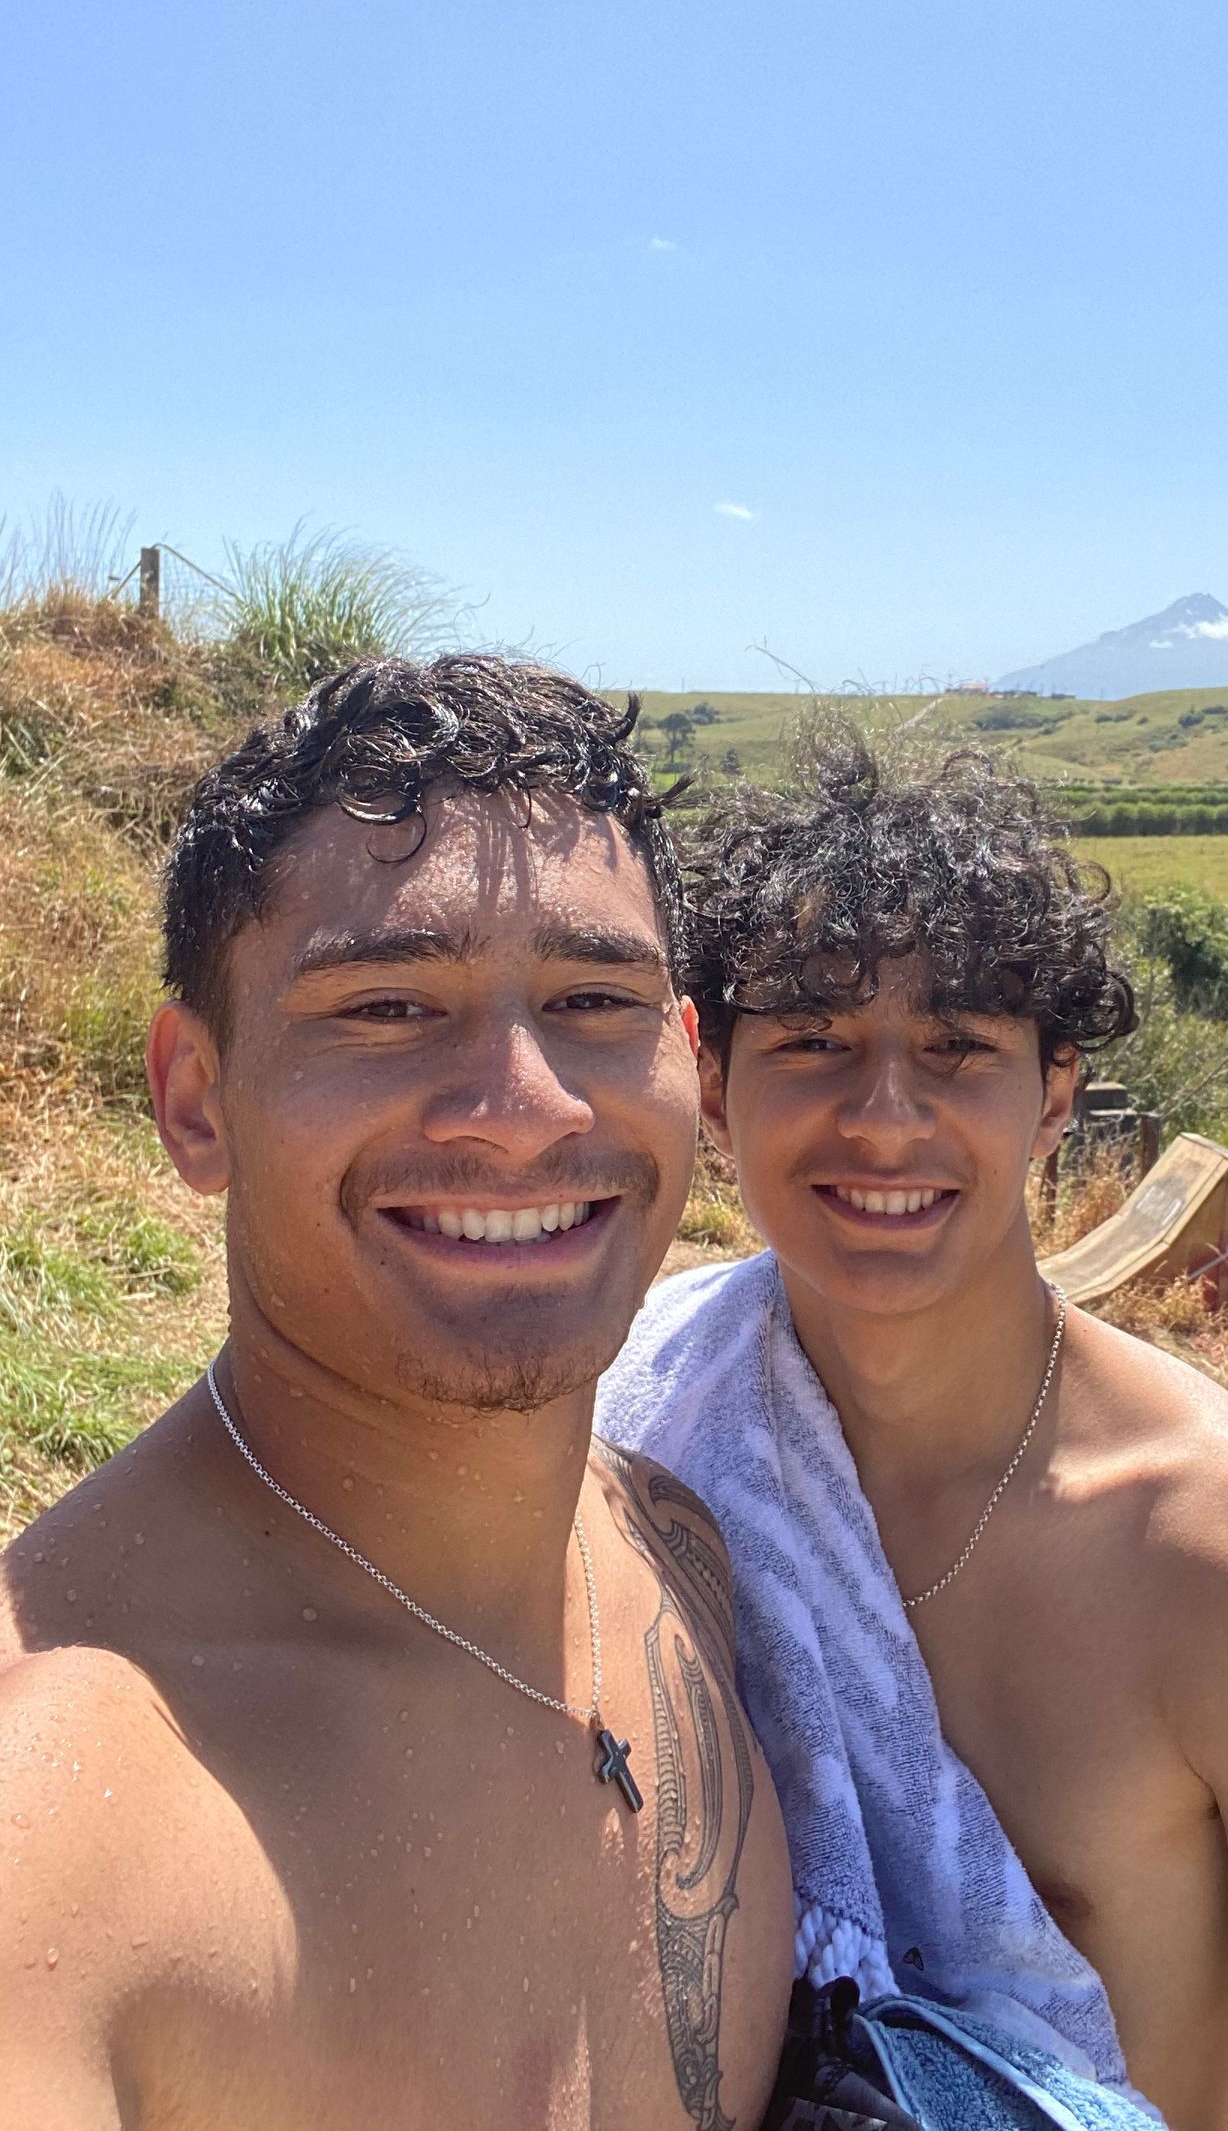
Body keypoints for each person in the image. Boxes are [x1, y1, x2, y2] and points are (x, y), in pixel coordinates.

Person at [599, 725, 1228, 2131]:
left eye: (955, 1049)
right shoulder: (633, 1422)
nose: (882, 1119)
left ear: (1054, 1090)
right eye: (810, 1042)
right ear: (707, 1074)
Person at [0, 657, 793, 2131]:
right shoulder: (60, 1825)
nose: (526, 1106)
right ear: (193, 1099)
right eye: (383, 1005)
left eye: (594, 999)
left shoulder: (675, 1556)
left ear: (688, 1062)